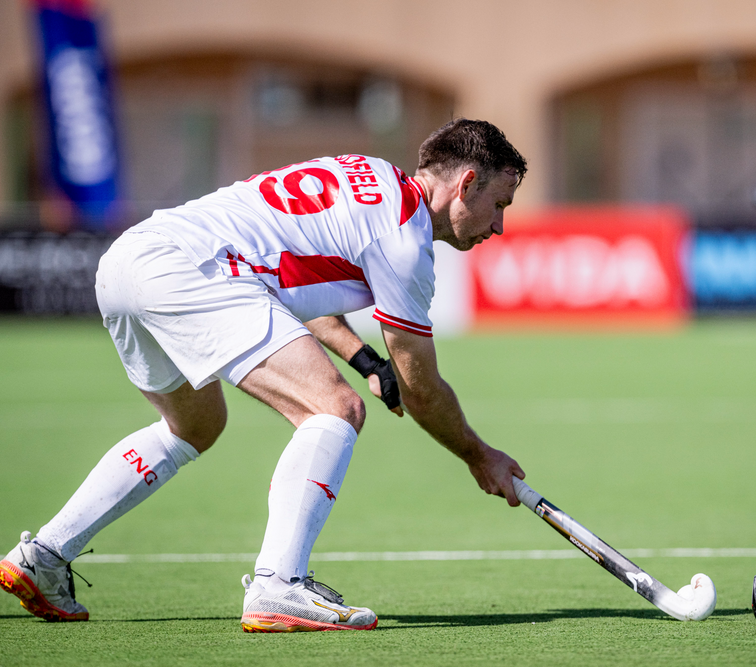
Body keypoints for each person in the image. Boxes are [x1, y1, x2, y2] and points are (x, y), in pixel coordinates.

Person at [0, 118, 528, 632]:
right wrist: (479, 456)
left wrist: (365, 360)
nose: (500, 225)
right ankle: (279, 584)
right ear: (465, 184)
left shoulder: (366, 172)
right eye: (500, 204)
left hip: (127, 262)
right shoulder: (405, 241)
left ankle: (44, 555)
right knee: (335, 409)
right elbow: (422, 390)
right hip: (193, 270)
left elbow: (288, 279)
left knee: (194, 427)